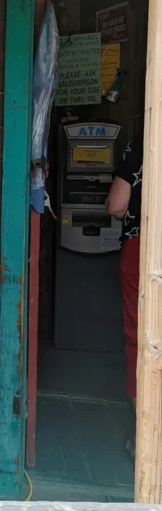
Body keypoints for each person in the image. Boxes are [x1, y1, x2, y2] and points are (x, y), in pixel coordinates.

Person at [106, 134, 143, 424]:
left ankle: (148, 437)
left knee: (140, 335)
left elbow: (117, 206)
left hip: (143, 247)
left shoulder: (143, 142)